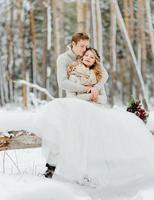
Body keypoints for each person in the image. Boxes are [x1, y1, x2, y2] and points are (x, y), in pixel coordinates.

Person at [43, 32, 108, 178]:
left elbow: (104, 75)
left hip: (91, 103)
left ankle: (88, 171)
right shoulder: (64, 59)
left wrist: (96, 88)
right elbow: (63, 83)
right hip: (73, 102)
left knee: (87, 137)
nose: (85, 49)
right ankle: (51, 167)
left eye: (86, 46)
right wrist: (87, 90)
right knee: (62, 132)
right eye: (82, 46)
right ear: (73, 44)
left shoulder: (88, 57)